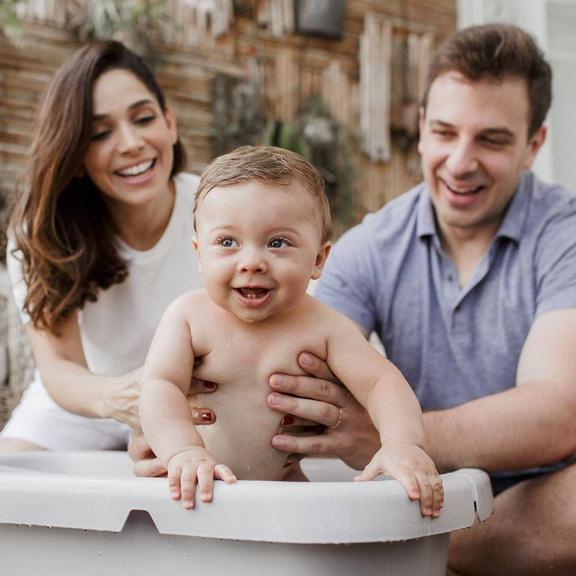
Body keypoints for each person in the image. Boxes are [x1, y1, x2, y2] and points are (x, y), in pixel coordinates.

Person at [255, 24, 576, 575]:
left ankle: (431, 552)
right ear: (422, 126)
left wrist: (392, 431)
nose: (459, 161)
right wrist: (187, 428)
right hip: (427, 498)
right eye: (445, 132)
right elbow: (286, 365)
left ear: (534, 146)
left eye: (491, 140)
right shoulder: (372, 245)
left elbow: (557, 412)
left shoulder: (564, 233)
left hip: (544, 503)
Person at [139, 145, 443, 515]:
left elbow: (382, 382)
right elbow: (160, 385)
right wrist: (182, 450)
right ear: (200, 253)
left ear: (318, 259)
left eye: (277, 243)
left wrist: (401, 443)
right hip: (197, 483)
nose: (251, 262)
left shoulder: (325, 327)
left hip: (284, 488)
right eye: (227, 242)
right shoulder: (188, 317)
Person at [0, 40, 216, 452]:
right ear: (76, 154)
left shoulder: (220, 208)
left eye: (144, 118)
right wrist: (117, 398)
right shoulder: (44, 231)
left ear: (170, 122)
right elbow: (59, 366)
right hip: (87, 403)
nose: (131, 142)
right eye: (100, 133)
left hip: (199, 402)